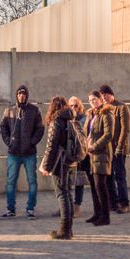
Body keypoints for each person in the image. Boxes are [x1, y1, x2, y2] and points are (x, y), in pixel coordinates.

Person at [0, 84, 44, 218]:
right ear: (16, 95)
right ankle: (10, 209)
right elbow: (3, 127)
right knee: (10, 182)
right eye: (19, 93)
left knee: (32, 181)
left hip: (29, 153)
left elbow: (40, 129)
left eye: (24, 93)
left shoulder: (34, 110)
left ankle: (30, 208)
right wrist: (9, 142)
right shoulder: (9, 111)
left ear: (27, 95)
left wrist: (32, 142)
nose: (21, 96)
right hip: (13, 153)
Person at [38, 96, 78, 240]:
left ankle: (64, 230)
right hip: (71, 162)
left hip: (60, 163)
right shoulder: (71, 119)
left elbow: (51, 146)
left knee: (62, 194)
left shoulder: (56, 122)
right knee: (68, 193)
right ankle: (69, 229)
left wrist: (46, 167)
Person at [82, 90, 114, 226]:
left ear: (101, 99)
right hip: (89, 154)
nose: (92, 102)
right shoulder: (90, 114)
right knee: (94, 186)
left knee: (101, 185)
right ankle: (97, 213)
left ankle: (105, 216)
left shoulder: (106, 114)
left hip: (101, 153)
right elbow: (86, 132)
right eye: (90, 100)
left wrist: (94, 146)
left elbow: (108, 135)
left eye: (94, 99)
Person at [99, 85, 130, 213]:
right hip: (107, 149)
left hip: (119, 149)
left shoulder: (122, 107)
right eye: (102, 96)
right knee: (108, 177)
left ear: (111, 94)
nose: (104, 98)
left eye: (106, 95)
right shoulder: (103, 109)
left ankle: (125, 203)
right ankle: (114, 203)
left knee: (120, 176)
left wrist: (119, 147)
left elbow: (125, 129)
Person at [67, 96, 89, 217]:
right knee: (67, 180)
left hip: (80, 153)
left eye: (76, 105)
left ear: (79, 106)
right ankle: (66, 206)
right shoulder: (66, 118)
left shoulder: (83, 118)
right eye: (71, 105)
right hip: (69, 154)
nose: (73, 107)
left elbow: (79, 133)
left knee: (79, 180)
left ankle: (77, 206)